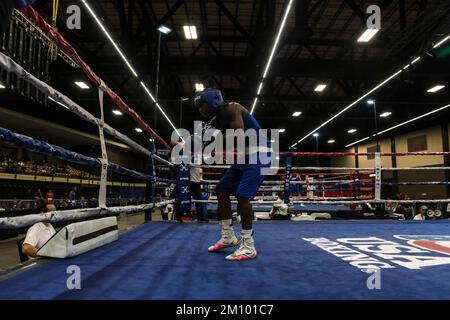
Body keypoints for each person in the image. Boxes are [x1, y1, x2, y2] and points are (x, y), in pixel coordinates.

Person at [195, 88, 271, 261]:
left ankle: (249, 246)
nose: (202, 110)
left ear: (213, 102)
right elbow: (203, 141)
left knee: (242, 195)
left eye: (203, 106)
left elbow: (239, 135)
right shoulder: (216, 120)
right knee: (221, 189)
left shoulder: (232, 108)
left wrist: (216, 136)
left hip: (261, 152)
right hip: (245, 156)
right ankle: (228, 236)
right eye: (199, 108)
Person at [170, 139, 208, 222]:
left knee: (199, 199)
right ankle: (178, 217)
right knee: (180, 197)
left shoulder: (198, 153)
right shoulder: (186, 148)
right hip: (185, 180)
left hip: (196, 180)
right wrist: (180, 143)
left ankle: (201, 217)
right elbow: (172, 141)